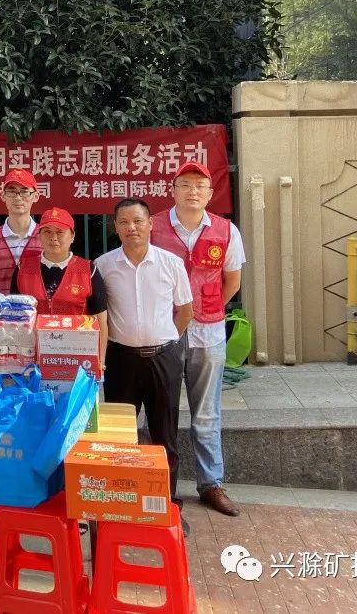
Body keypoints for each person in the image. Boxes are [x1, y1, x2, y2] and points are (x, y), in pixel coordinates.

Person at [150, 161, 245, 517]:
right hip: (165, 332)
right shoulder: (153, 226)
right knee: (162, 411)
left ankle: (211, 484)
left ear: (210, 193)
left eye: (200, 185)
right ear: (173, 190)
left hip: (209, 333)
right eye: (185, 184)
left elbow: (232, 281)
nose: (192, 191)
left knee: (206, 412)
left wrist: (205, 309)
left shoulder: (226, 230)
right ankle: (161, 485)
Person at [95, 198, 193, 532]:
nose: (131, 228)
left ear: (151, 224)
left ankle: (168, 506)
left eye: (138, 221)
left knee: (165, 436)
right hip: (121, 360)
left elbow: (185, 311)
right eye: (124, 222)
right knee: (119, 438)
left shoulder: (171, 263)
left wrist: (168, 340)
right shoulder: (103, 266)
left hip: (164, 358)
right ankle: (122, 506)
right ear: (115, 227)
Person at [12, 207, 108, 368]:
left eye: (60, 232)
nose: (53, 237)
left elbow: (101, 321)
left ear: (72, 236)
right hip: (32, 360)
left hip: (77, 359)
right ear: (39, 236)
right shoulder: (23, 268)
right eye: (47, 232)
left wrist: (100, 361)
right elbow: (13, 316)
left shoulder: (88, 270)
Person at [0, 168, 42, 293]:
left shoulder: (47, 237)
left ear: (35, 196)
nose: (18, 197)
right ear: (3, 196)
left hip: (37, 306)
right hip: (0, 306)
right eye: (12, 191)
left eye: (24, 191)